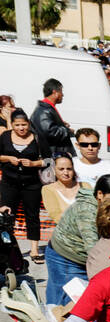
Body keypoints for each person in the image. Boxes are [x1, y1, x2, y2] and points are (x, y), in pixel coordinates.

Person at [45, 174, 110, 308]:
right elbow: (93, 249)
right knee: (65, 305)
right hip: (65, 257)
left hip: (79, 257)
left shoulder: (105, 207)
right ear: (100, 194)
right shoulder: (86, 211)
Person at [0, 110, 49, 261]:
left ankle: (34, 250)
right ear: (12, 125)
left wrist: (34, 163)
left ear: (29, 124)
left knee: (32, 216)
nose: (21, 128)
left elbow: (48, 160)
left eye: (24, 125)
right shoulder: (5, 137)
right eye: (17, 125)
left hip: (31, 183)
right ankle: (9, 251)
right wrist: (8, 158)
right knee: (7, 217)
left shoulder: (38, 138)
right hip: (9, 182)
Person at [31, 78, 73, 157]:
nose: (62, 95)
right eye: (61, 91)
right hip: (52, 155)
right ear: (55, 92)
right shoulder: (43, 110)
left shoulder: (46, 108)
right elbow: (50, 132)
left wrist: (60, 124)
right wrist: (67, 130)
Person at [42, 154, 81, 226]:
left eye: (69, 169)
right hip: (65, 233)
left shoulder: (85, 186)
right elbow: (56, 216)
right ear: (54, 170)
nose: (66, 173)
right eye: (61, 169)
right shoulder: (48, 189)